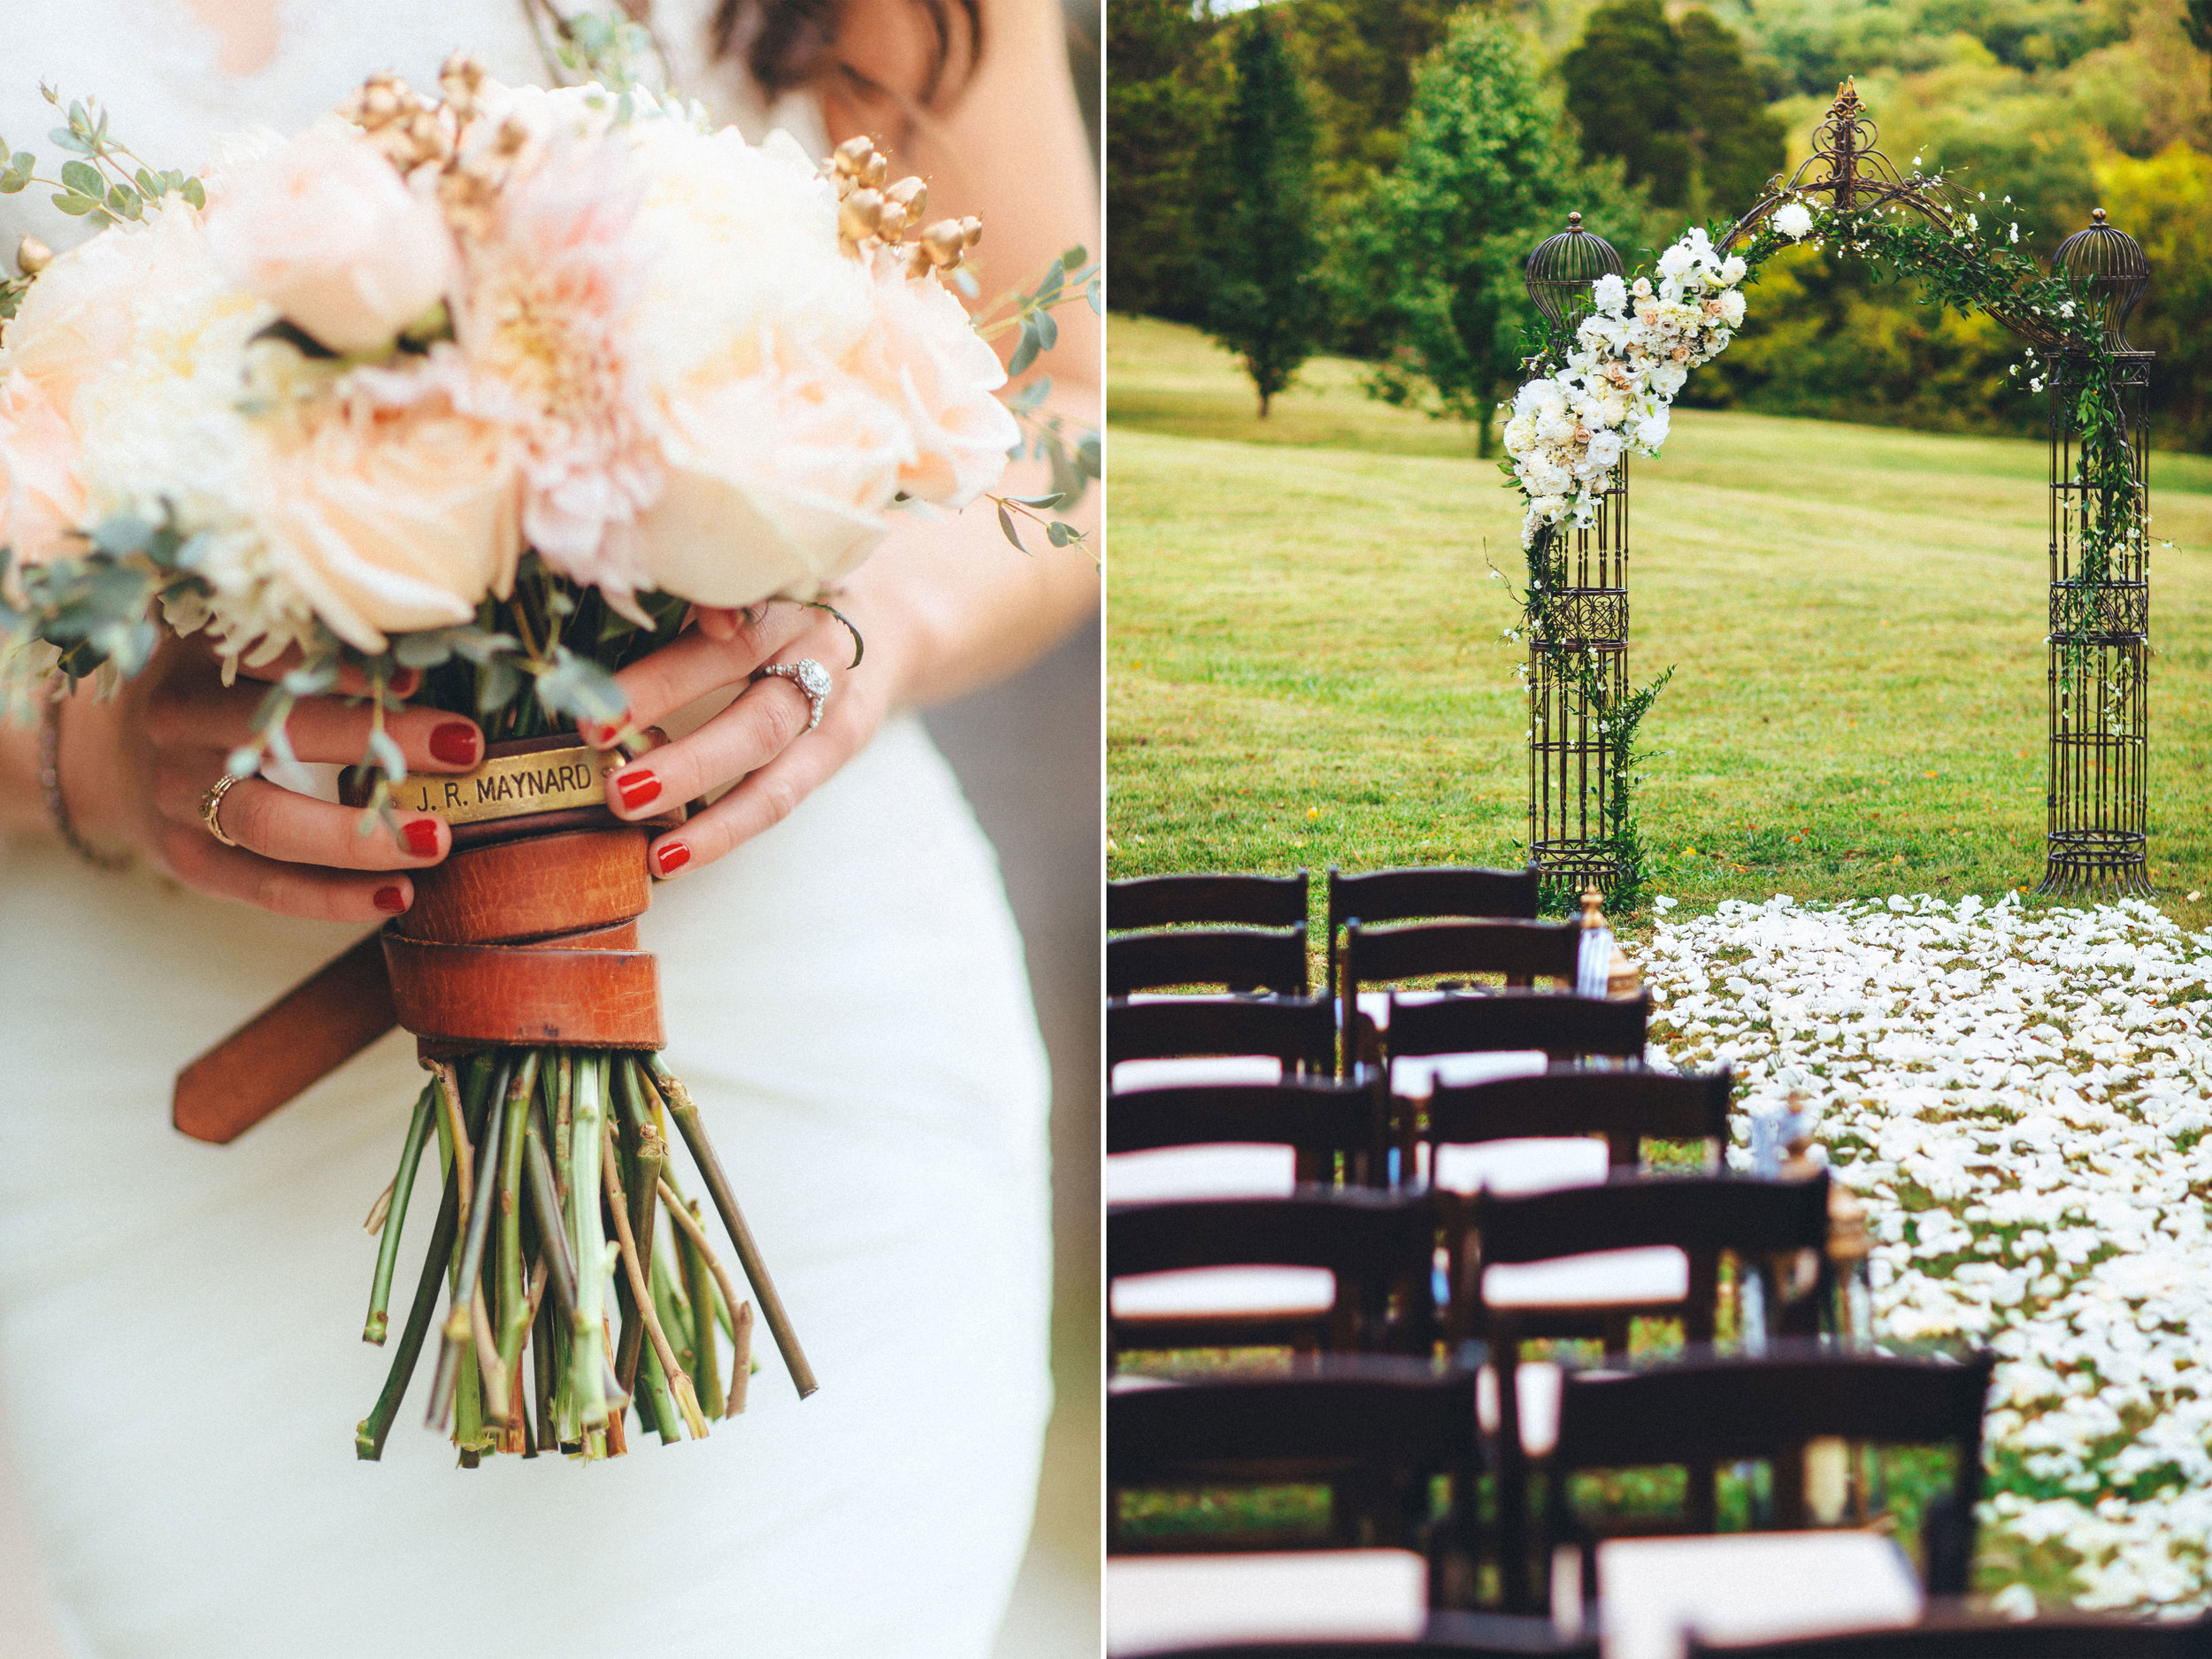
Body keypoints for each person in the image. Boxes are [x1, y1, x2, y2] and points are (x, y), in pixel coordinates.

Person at [0, 1, 1100, 1654]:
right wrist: (89, 758)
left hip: (780, 1043)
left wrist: (845, 649)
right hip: (153, 1126)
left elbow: (1064, 394)